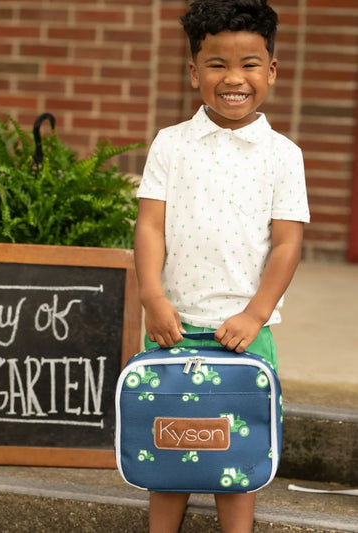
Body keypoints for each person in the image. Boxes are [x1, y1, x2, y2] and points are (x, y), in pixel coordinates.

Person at [134, 0, 310, 531]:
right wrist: (153, 299)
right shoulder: (171, 144)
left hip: (244, 334)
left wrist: (256, 315)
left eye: (250, 64)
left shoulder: (284, 155)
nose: (234, 78)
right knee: (169, 452)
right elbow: (150, 227)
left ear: (272, 71)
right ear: (194, 73)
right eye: (217, 65)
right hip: (173, 328)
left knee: (240, 454)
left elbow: (286, 244)